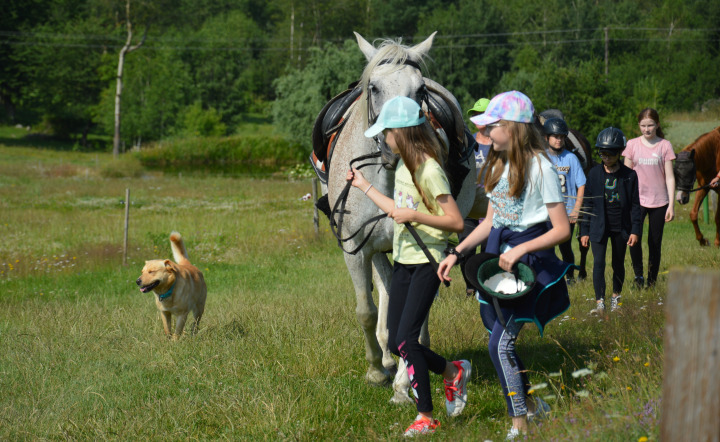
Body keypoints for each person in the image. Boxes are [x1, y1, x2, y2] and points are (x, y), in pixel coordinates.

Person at [437, 91, 572, 440]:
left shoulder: (540, 167)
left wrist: (520, 248)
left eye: (489, 128)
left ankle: (520, 427)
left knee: (500, 345)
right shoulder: (497, 164)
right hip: (500, 258)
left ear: (511, 128)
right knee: (499, 339)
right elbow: (490, 222)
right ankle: (531, 406)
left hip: (528, 262)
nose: (482, 135)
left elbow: (562, 229)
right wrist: (458, 252)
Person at [346, 96, 471, 436]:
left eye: (386, 132)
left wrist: (415, 215)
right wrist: (364, 185)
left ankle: (426, 416)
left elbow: (456, 222)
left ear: (401, 133)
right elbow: (395, 208)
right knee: (398, 342)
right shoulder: (402, 166)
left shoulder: (430, 170)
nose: (383, 139)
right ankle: (452, 371)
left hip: (427, 262)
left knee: (409, 341)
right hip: (403, 260)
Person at [579, 127, 642, 314]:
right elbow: (587, 204)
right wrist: (584, 231)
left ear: (620, 153)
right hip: (598, 227)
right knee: (598, 263)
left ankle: (616, 297)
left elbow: (636, 206)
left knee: (618, 263)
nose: (606, 157)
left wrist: (635, 230)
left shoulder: (630, 175)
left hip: (621, 227)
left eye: (610, 154)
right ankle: (600, 301)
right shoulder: (594, 174)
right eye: (602, 153)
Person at [622, 108, 676, 288]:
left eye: (650, 125)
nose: (647, 129)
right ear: (639, 126)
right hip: (636, 201)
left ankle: (652, 281)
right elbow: (625, 176)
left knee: (654, 242)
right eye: (643, 126)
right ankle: (638, 276)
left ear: (657, 125)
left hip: (659, 201)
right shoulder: (632, 145)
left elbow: (669, 177)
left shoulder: (665, 145)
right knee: (633, 239)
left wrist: (671, 206)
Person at [543, 117, 586, 284]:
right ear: (546, 137)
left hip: (567, 211)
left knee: (565, 247)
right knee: (548, 247)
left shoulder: (571, 158)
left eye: (561, 137)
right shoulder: (541, 158)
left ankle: (570, 277)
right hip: (546, 213)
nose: (559, 140)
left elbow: (581, 185)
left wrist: (576, 209)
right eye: (555, 136)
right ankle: (551, 277)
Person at [459, 97, 493, 296]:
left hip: (491, 206)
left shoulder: (500, 145)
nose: (478, 119)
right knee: (466, 247)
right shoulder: (468, 143)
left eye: (482, 114)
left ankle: (485, 286)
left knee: (488, 249)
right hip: (469, 204)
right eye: (475, 115)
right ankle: (470, 286)